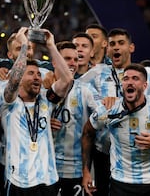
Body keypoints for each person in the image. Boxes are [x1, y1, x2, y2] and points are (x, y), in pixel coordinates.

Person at [79, 28, 150, 196]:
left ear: (131, 48)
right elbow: (72, 86)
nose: (116, 47)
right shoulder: (97, 73)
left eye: (121, 43)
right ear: (107, 49)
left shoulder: (149, 73)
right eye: (112, 44)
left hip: (140, 155)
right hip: (104, 153)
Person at [81, 63, 150, 196]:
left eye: (135, 78)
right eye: (126, 79)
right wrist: (86, 171)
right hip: (120, 182)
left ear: (145, 86)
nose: (129, 82)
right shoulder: (109, 109)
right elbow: (87, 132)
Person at [0, 27, 73, 195]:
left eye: (39, 74)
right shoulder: (9, 103)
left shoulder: (46, 100)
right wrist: (24, 46)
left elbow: (67, 80)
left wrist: (51, 45)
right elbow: (14, 80)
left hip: (48, 180)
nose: (37, 77)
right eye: (31, 73)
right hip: (18, 181)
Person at [47, 41, 101, 196]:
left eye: (75, 59)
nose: (72, 63)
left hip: (75, 170)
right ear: (55, 61)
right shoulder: (42, 85)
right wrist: (43, 123)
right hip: (46, 167)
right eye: (67, 59)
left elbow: (104, 116)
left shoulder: (86, 89)